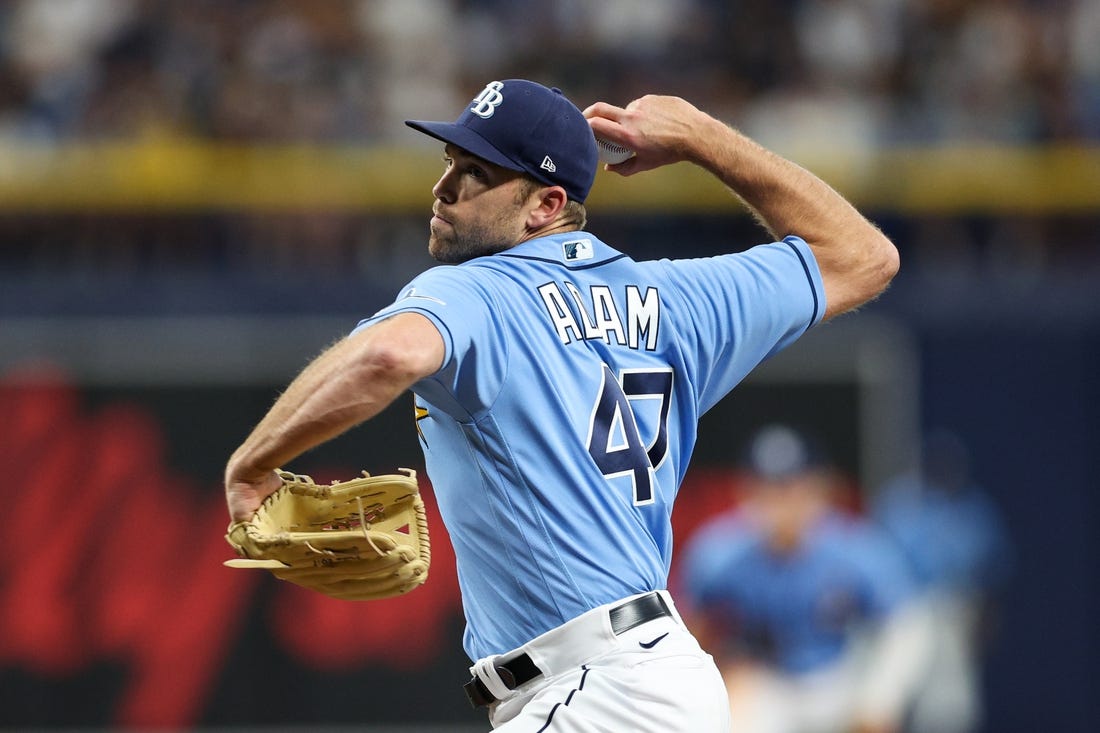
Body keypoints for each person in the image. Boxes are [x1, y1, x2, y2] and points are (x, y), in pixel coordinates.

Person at [223, 78, 899, 731]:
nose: (444, 187)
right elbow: (862, 256)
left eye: (477, 173)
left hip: (593, 690)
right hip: (654, 680)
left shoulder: (481, 292)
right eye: (449, 160)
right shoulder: (678, 301)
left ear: (545, 205)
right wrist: (702, 139)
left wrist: (255, 464)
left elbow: (386, 355)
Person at [678, 425, 933, 733]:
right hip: (769, 681)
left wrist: (879, 702)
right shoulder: (719, 550)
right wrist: (714, 679)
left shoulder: (852, 545)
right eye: (768, 488)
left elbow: (908, 624)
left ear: (819, 487)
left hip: (838, 675)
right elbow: (685, 629)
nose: (782, 501)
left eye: (792, 486)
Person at [871, 429, 1012, 733]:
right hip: (904, 610)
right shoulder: (898, 502)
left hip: (954, 610)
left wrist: (985, 616)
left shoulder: (974, 508)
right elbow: (877, 563)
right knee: (889, 695)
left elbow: (991, 570)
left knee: (949, 706)